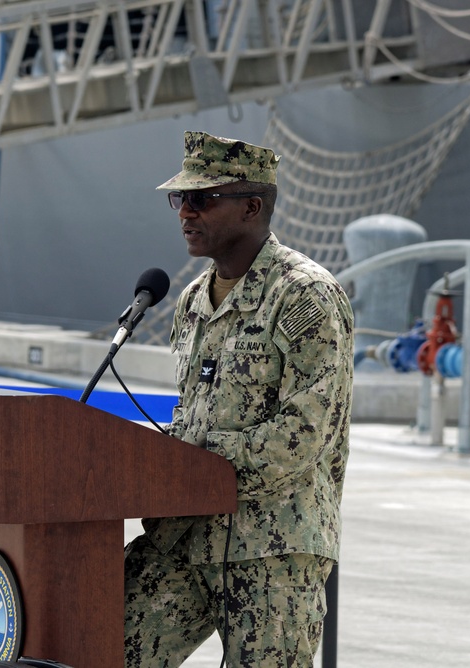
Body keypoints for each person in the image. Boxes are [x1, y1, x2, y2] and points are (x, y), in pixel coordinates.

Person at [123, 131, 354, 668]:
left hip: (271, 549)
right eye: (180, 199)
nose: (186, 213)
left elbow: (300, 436)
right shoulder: (189, 301)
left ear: (252, 207)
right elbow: (191, 414)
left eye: (202, 199)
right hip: (184, 539)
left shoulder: (304, 295)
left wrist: (195, 469)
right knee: (96, 644)